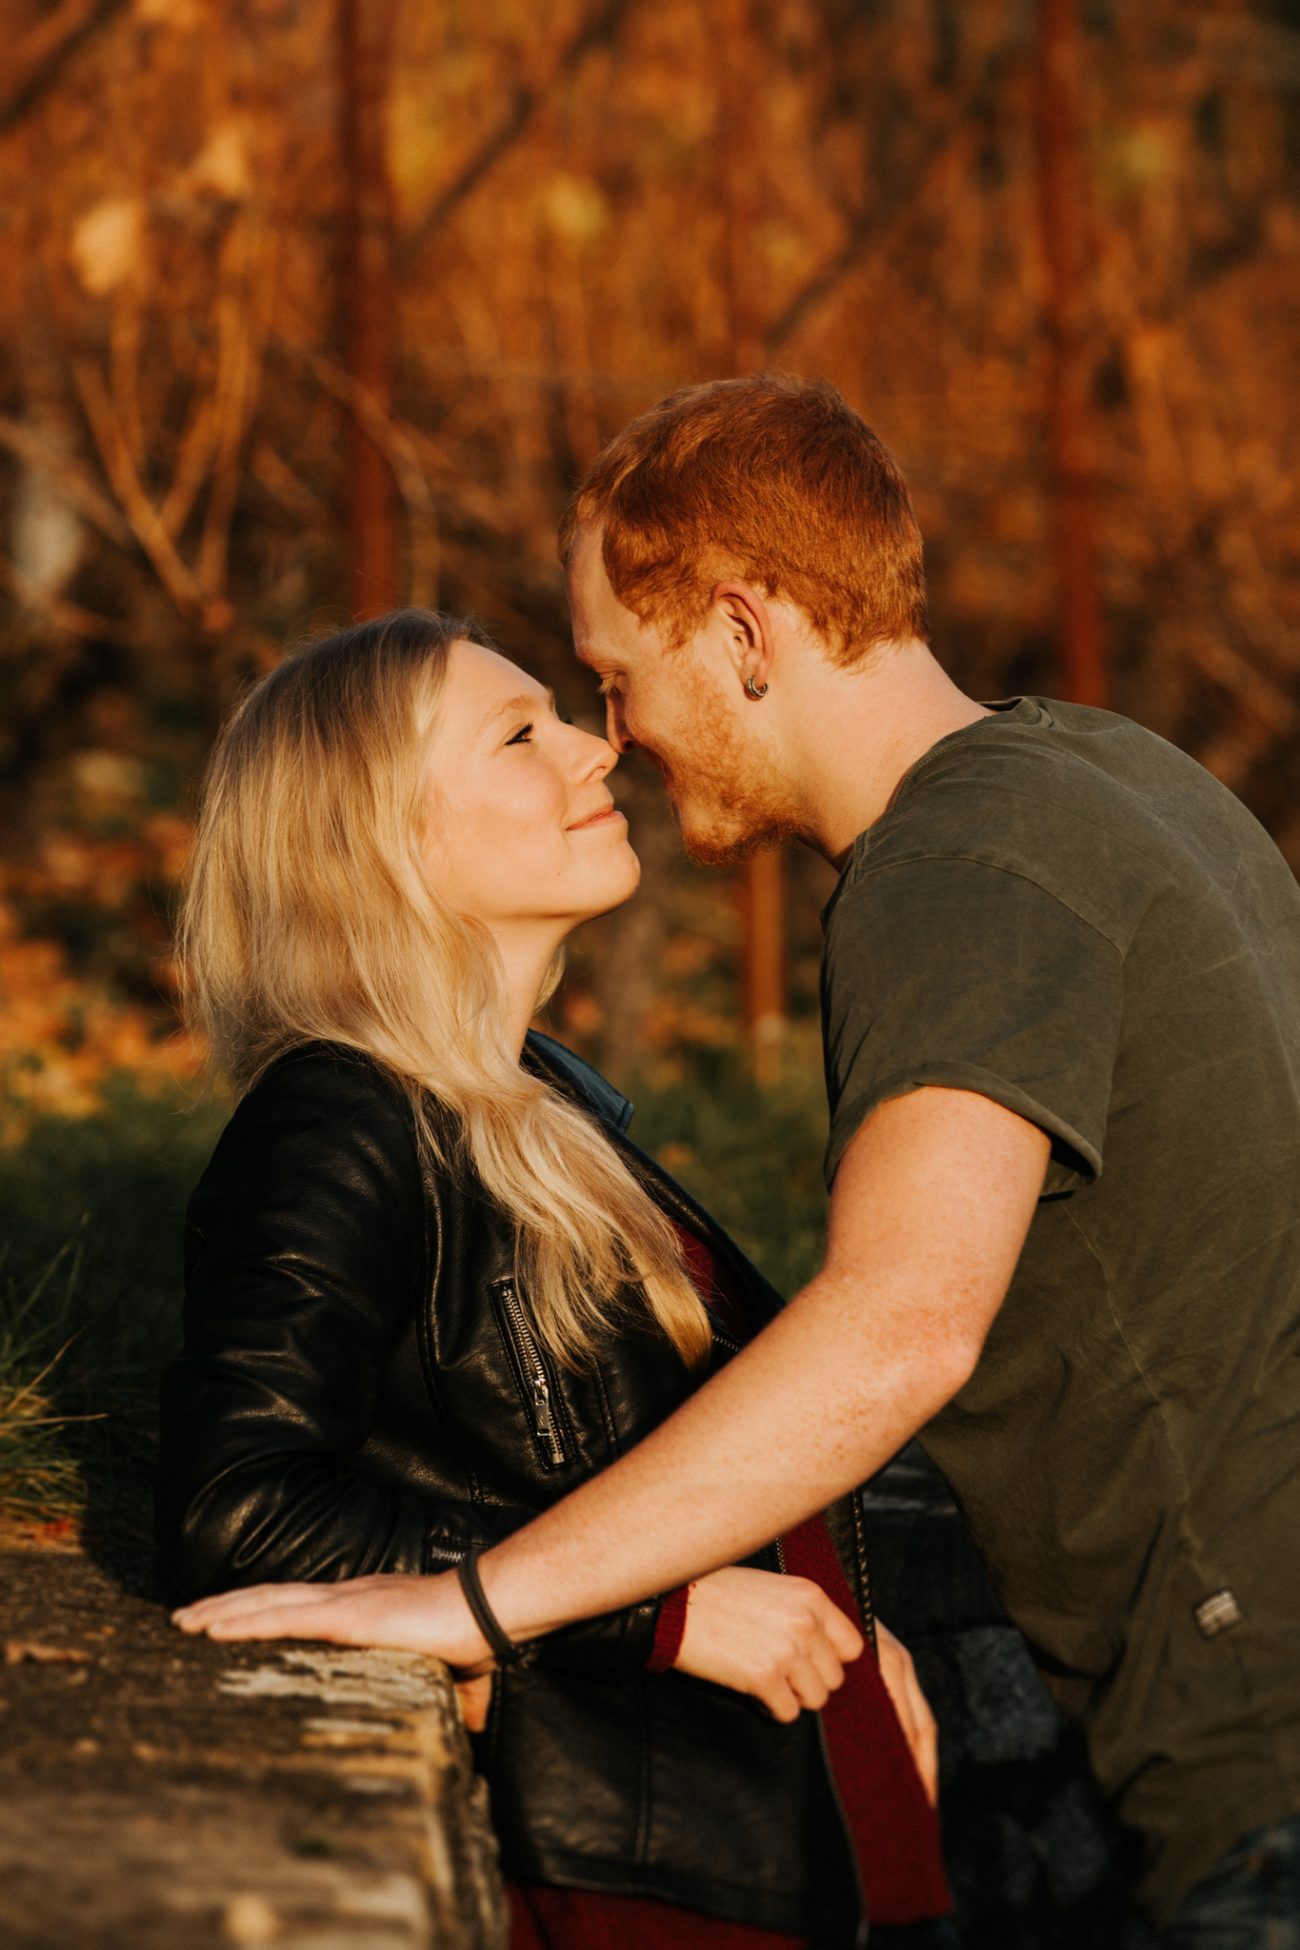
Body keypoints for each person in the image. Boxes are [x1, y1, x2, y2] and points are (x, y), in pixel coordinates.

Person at [175, 375, 1300, 1948]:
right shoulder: (1129, 778)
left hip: (1244, 1764)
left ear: (744, 632)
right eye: (555, 711)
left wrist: (482, 1602)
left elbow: (901, 1324)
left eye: (613, 679)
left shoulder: (957, 863)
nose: (612, 737)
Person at [156, 606, 954, 1950]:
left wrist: (857, 1615)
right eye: (520, 735)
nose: (596, 748)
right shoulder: (338, 1121)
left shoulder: (545, 1111)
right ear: (383, 836)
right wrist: (657, 1614)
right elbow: (237, 1507)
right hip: (636, 1868)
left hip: (794, 1818)